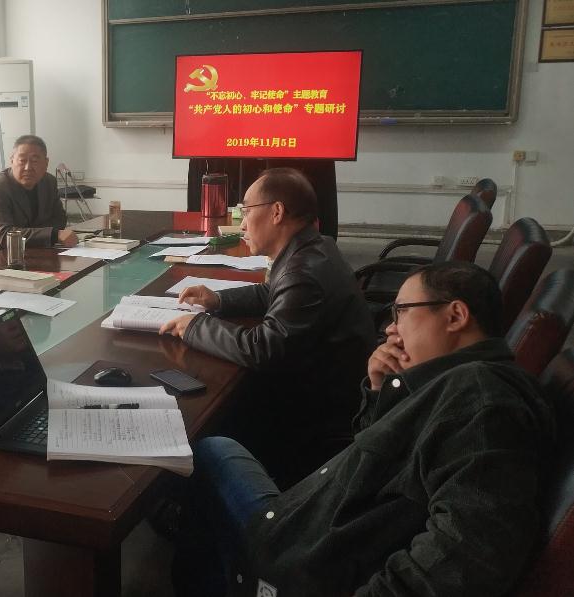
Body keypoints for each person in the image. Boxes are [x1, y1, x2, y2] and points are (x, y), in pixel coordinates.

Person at [172, 261, 554, 597]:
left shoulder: (483, 403)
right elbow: (384, 461)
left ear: (455, 316)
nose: (390, 328)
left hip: (300, 564)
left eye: (402, 311)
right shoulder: (449, 384)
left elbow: (473, 552)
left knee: (208, 452)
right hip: (311, 527)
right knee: (218, 447)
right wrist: (379, 389)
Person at [159, 167, 374, 483]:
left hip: (313, 413)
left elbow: (263, 348)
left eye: (247, 211)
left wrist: (194, 327)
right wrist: (217, 300)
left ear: (276, 212)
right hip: (323, 389)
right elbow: (272, 292)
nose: (242, 224)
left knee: (201, 411)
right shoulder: (313, 248)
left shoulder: (304, 273)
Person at [0, 134, 78, 258]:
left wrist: (44, 236)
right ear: (12, 161)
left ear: (46, 163)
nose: (28, 168)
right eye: (22, 161)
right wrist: (53, 235)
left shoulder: (49, 182)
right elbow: (6, 235)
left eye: (34, 161)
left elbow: (59, 219)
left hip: (36, 252)